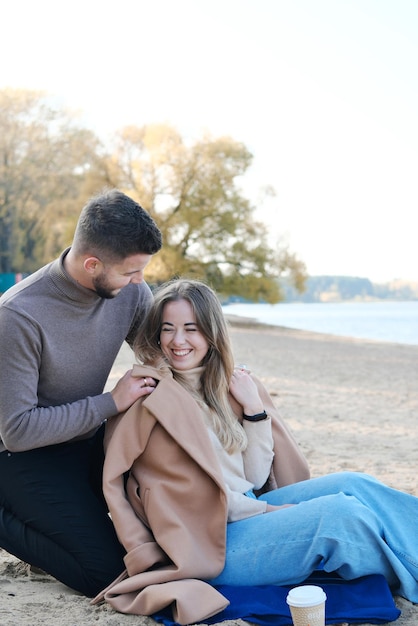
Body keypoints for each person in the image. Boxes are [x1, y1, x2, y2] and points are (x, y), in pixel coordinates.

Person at [94, 278, 418, 624]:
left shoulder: (219, 387)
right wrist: (269, 509)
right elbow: (191, 498)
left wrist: (254, 411)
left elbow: (251, 477)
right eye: (168, 329)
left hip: (244, 513)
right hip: (210, 543)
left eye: (191, 329)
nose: (178, 341)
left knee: (357, 484)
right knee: (339, 515)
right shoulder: (154, 400)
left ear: (211, 334)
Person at [0, 189, 162, 597]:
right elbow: (16, 431)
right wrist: (111, 402)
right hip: (22, 458)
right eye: (131, 272)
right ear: (92, 265)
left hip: (86, 443)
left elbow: (162, 359)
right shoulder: (17, 316)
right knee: (106, 575)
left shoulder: (130, 293)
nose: (140, 282)